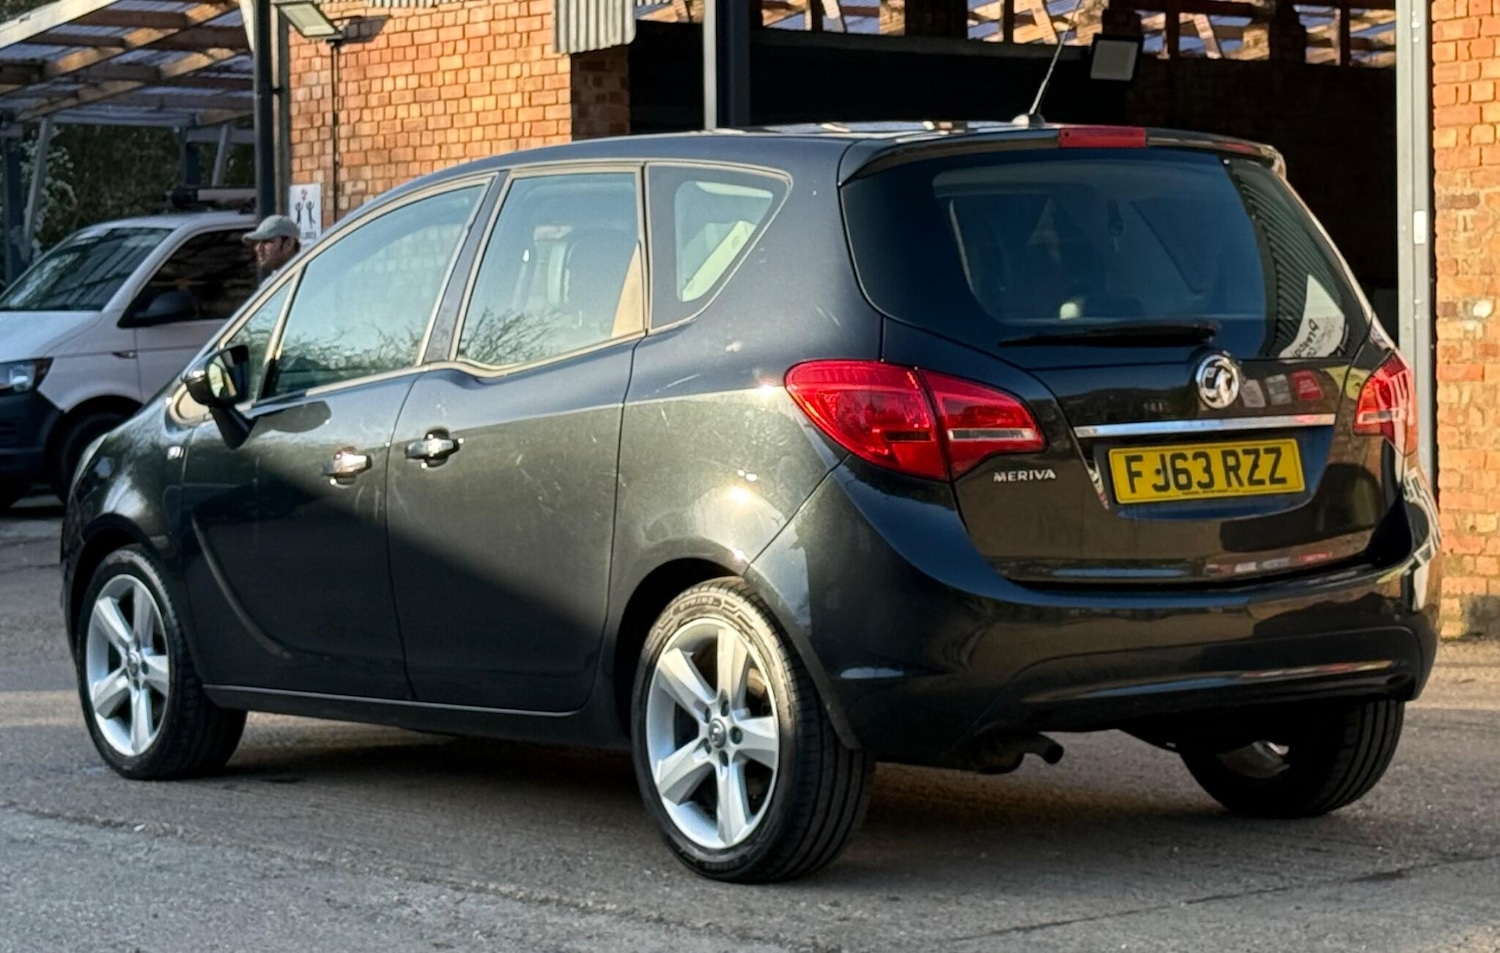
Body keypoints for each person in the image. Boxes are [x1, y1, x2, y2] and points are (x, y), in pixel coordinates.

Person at [243, 214, 302, 284]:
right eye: (257, 242)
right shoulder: (270, 284)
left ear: (289, 244)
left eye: (267, 241)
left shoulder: (306, 278)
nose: (258, 248)